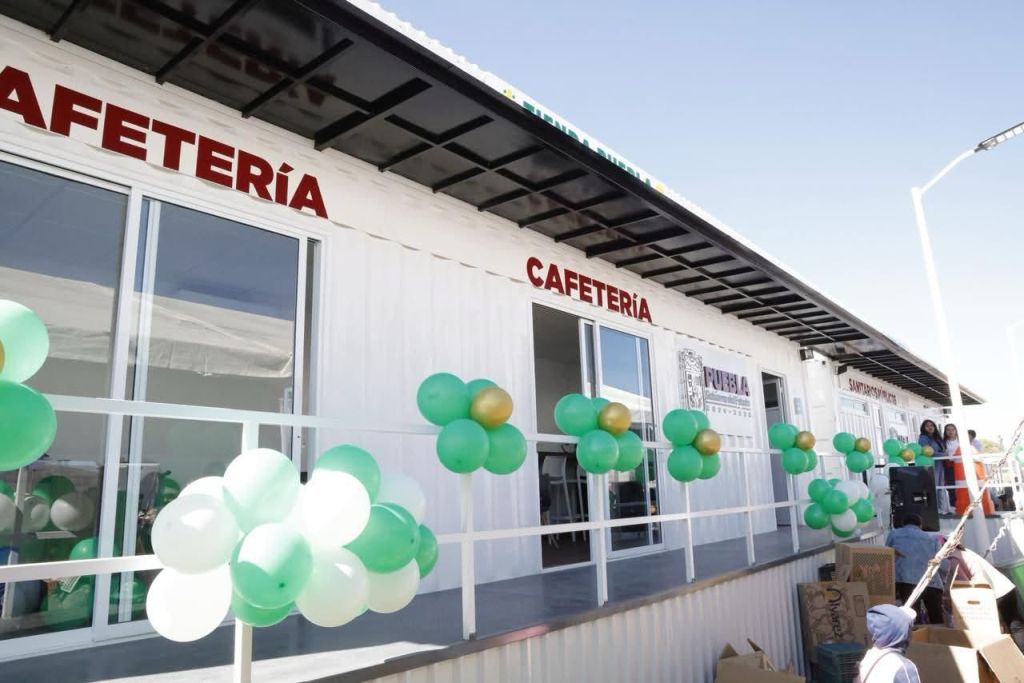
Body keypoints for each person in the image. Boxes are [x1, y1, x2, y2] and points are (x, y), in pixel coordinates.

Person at [886, 513, 944, 623]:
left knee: (913, 618)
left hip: (906, 581)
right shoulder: (933, 539)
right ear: (920, 525)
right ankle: (938, 633)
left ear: (903, 524)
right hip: (931, 582)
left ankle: (917, 633)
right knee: (937, 618)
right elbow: (942, 563)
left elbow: (887, 555)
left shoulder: (894, 534)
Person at [856, 604, 921, 683]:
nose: (911, 633)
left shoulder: (869, 656)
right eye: (909, 627)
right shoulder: (903, 667)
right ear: (902, 633)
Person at [945, 423, 994, 516]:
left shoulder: (962, 441)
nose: (950, 431)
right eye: (948, 430)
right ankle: (955, 506)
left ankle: (976, 505)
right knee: (953, 486)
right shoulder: (944, 442)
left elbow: (975, 450)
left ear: (956, 431)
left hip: (966, 467)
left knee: (973, 485)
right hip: (951, 467)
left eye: (952, 429)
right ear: (945, 432)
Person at [918, 419, 951, 514]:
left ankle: (942, 508)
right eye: (927, 426)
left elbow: (943, 450)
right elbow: (927, 452)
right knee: (933, 486)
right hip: (931, 464)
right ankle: (934, 510)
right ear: (923, 428)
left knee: (941, 487)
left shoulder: (937, 438)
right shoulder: (923, 438)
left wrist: (945, 455)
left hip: (940, 464)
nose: (930, 427)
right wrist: (944, 455)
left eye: (932, 425)